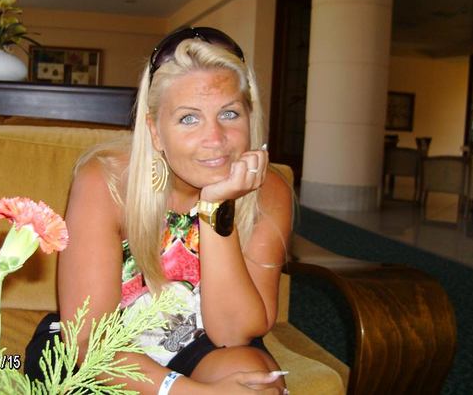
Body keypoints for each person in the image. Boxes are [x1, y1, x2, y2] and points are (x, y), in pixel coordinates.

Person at [25, 26, 293, 394]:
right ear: (154, 130)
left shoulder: (268, 191)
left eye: (229, 114)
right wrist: (192, 393)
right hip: (106, 351)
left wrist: (216, 208)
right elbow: (88, 340)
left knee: (257, 383)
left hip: (200, 342)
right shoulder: (106, 182)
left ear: (250, 116)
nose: (215, 140)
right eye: (189, 118)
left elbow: (233, 334)